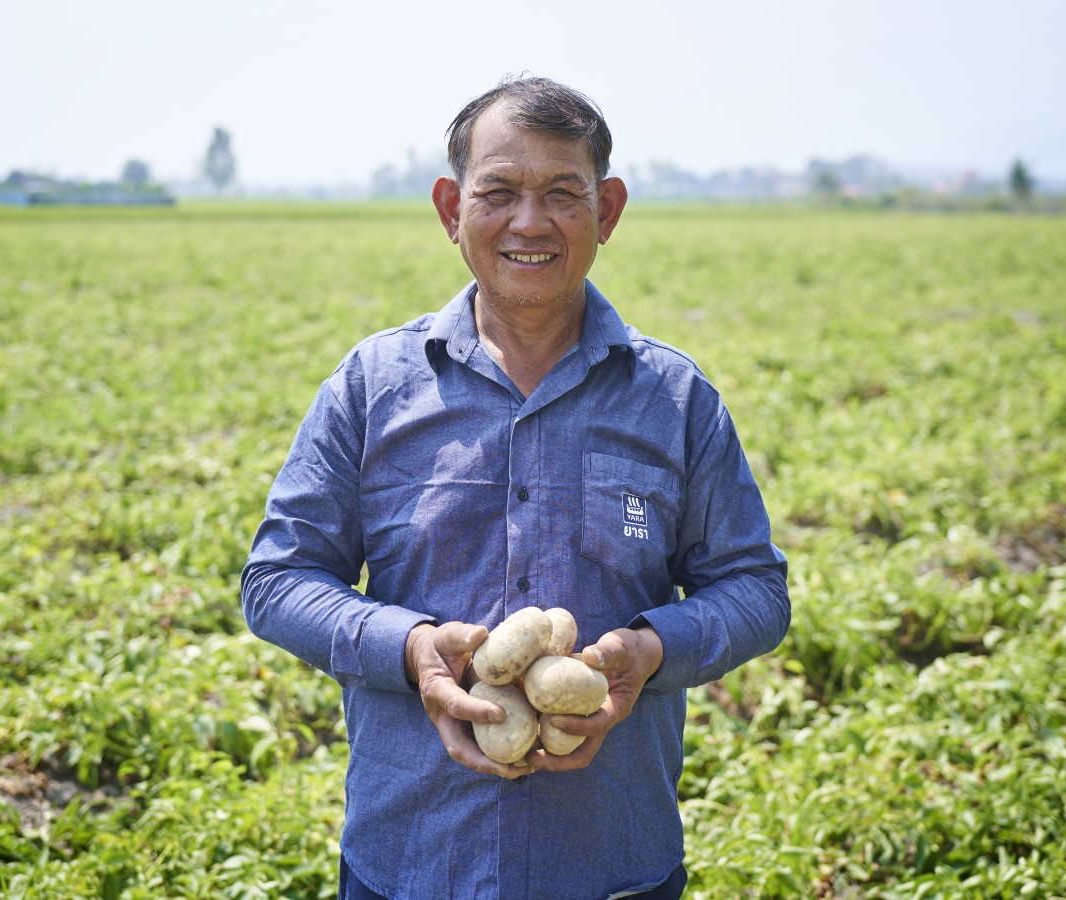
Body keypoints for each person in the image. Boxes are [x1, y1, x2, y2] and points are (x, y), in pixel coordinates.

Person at [241, 76, 790, 900]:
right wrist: (407, 647)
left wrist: (648, 651)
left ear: (606, 210)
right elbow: (277, 580)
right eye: (497, 192)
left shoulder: (674, 401)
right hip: (412, 864)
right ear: (449, 209)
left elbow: (755, 591)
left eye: (562, 194)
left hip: (612, 866)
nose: (529, 223)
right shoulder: (372, 387)